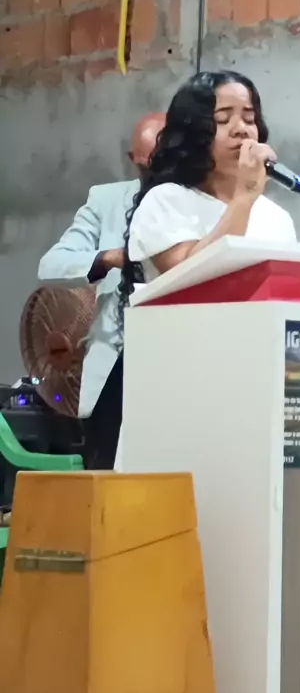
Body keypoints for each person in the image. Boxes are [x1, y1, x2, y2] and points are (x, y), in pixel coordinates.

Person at [38, 112, 166, 468]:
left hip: (173, 365)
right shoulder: (106, 200)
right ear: (133, 160)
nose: (157, 175)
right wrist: (109, 257)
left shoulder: (198, 202)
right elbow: (51, 265)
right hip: (112, 370)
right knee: (105, 478)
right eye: (147, 166)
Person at [119, 71, 296, 304]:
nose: (241, 129)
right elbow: (194, 279)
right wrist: (243, 198)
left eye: (249, 118)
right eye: (222, 119)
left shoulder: (277, 217)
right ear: (193, 133)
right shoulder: (165, 200)